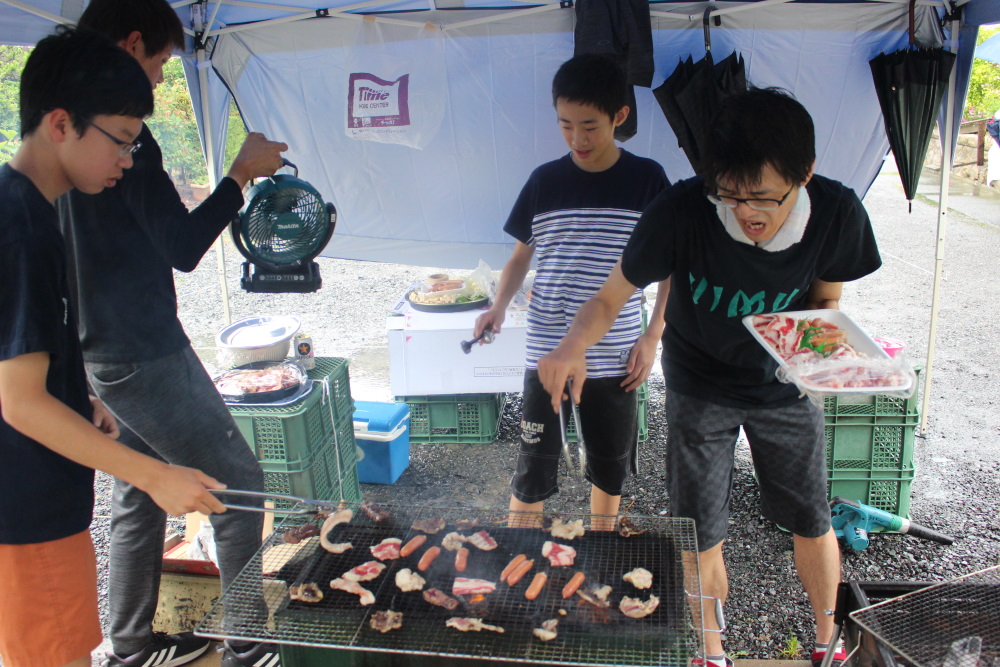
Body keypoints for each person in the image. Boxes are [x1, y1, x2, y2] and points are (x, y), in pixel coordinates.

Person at [537, 87, 881, 667]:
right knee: (699, 529)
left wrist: (825, 362)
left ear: (806, 174)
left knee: (811, 516)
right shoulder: (682, 209)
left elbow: (825, 303)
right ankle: (712, 651)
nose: (747, 212)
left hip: (782, 384)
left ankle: (828, 641)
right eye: (731, 194)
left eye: (765, 199)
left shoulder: (837, 211)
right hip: (700, 383)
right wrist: (573, 343)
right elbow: (611, 296)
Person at [56, 2, 287, 666]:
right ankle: (249, 648)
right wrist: (239, 173)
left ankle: (129, 649)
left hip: (100, 347)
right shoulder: (124, 134)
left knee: (139, 491)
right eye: (158, 63)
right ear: (131, 45)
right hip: (142, 349)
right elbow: (184, 246)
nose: (158, 82)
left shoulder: (69, 124)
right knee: (238, 485)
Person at [0, 27, 228, 667]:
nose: (128, 162)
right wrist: (155, 475)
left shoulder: (33, 208)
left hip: (38, 502)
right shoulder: (21, 226)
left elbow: (24, 355)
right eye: (122, 142)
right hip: (28, 510)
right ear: (62, 123)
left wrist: (79, 395)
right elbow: (18, 404)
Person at [473, 54, 669, 532]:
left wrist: (653, 336)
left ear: (620, 116)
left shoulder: (648, 181)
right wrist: (497, 306)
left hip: (616, 354)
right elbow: (521, 256)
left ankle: (601, 544)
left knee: (608, 465)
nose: (577, 139)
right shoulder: (545, 181)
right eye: (565, 125)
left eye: (590, 126)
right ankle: (520, 552)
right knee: (533, 464)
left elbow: (671, 270)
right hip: (547, 354)